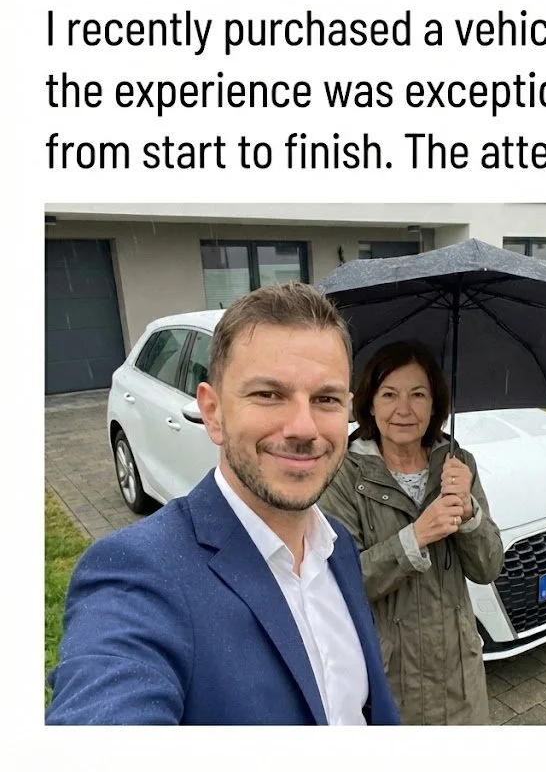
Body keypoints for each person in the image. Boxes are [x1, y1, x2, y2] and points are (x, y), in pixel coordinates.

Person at [46, 283, 400, 726]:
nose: (304, 427)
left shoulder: (338, 545)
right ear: (212, 412)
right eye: (268, 394)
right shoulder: (138, 575)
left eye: (325, 399)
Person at [320, 340, 504, 725]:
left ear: (435, 403)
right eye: (389, 394)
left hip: (461, 678)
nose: (404, 409)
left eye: (418, 394)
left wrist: (470, 512)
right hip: (390, 679)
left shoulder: (458, 463)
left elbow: (488, 568)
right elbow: (342, 584)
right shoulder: (343, 475)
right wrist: (415, 537)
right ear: (369, 403)